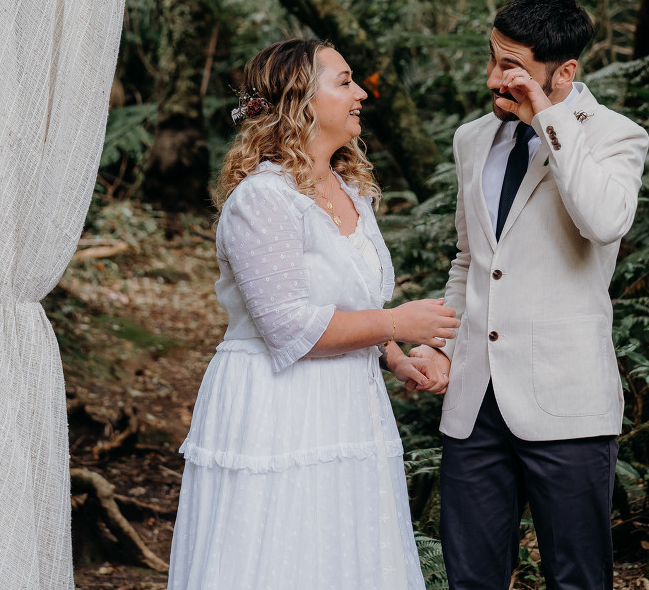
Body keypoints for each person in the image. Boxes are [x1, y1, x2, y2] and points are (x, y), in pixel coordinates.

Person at [167, 38, 458, 590]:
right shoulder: (263, 198)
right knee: (281, 553)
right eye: (344, 82)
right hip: (278, 405)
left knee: (343, 554)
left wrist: (395, 357)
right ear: (299, 100)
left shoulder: (350, 190)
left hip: (349, 405)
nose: (361, 93)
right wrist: (396, 324)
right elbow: (289, 326)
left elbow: (350, 304)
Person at [407, 0, 649, 590]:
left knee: (578, 579)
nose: (494, 79)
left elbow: (604, 222)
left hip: (567, 401)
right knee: (472, 579)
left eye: (511, 67)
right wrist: (442, 344)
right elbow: (470, 259)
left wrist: (547, 117)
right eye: (492, 58)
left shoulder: (616, 136)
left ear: (563, 72)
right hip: (475, 402)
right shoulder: (472, 139)